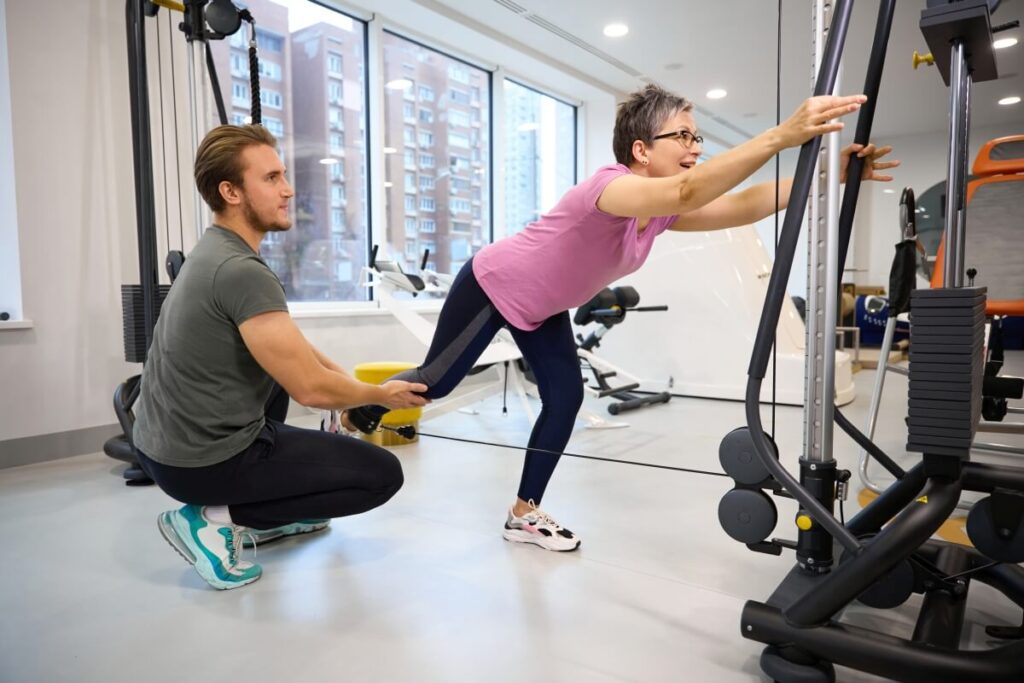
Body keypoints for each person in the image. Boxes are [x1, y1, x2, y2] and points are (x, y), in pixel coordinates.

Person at [345, 84, 898, 552]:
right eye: (682, 135)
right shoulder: (608, 187)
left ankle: (523, 512)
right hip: (495, 284)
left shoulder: (658, 214)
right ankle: (349, 414)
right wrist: (782, 134)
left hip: (543, 309)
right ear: (640, 149)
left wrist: (837, 178)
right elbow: (687, 187)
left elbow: (745, 205)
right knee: (432, 385)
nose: (693, 146)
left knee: (565, 399)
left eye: (695, 136)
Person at [133, 124, 429, 590]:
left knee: (283, 378)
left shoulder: (214, 252)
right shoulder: (240, 271)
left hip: (159, 447)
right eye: (270, 178)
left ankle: (269, 517)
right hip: (198, 463)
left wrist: (348, 389)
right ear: (230, 191)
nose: (288, 189)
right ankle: (211, 518)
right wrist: (380, 395)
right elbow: (308, 388)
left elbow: (291, 348)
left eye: (283, 175)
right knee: (379, 475)